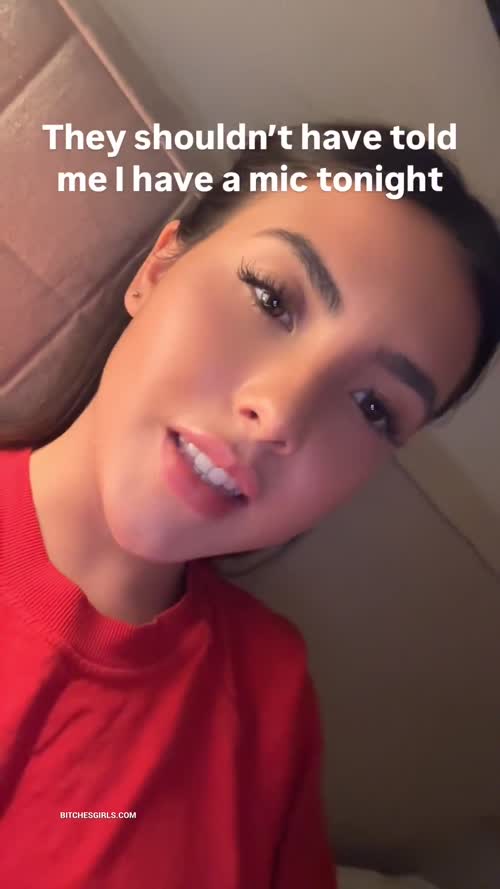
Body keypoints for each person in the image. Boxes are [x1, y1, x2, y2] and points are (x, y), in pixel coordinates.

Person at [0, 123, 499, 889]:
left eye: (373, 406)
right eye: (272, 298)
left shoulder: (268, 692)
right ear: (158, 269)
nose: (281, 412)